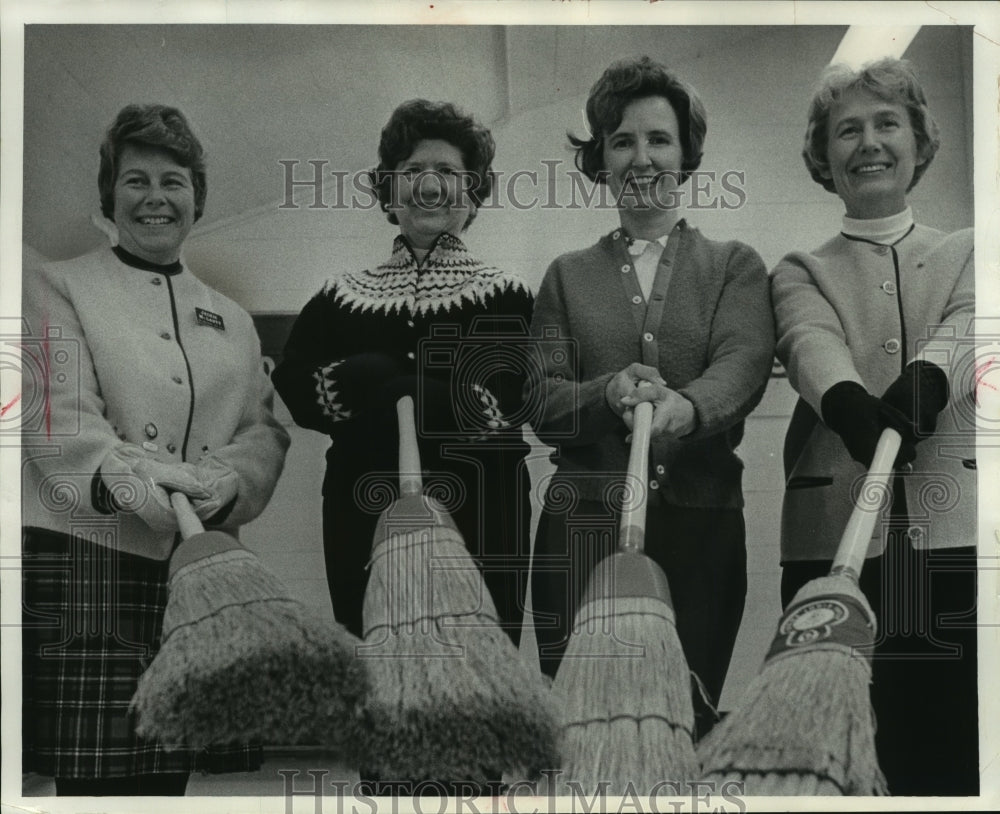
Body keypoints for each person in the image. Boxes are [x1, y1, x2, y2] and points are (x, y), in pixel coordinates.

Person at [21, 104, 290, 796]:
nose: (155, 198)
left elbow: (263, 431)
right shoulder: (56, 286)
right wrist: (150, 483)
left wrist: (227, 482)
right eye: (135, 180)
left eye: (174, 182)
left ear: (197, 198)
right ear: (109, 195)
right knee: (94, 787)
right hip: (91, 566)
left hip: (195, 571)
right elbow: (60, 421)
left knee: (166, 781)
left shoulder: (233, 317)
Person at [528, 56, 775, 739]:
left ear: (687, 154)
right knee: (583, 730)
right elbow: (541, 398)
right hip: (581, 533)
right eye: (622, 141)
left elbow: (743, 363)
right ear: (601, 159)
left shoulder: (734, 266)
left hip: (701, 530)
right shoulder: (565, 277)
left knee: (680, 727)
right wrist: (604, 393)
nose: (642, 157)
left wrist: (686, 408)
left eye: (659, 139)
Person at [771, 57, 978, 795]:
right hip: (832, 543)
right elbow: (807, 339)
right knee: (847, 752)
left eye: (887, 123)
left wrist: (932, 375)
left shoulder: (972, 249)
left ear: (918, 142)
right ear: (823, 156)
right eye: (847, 130)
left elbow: (973, 322)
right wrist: (846, 400)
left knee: (954, 746)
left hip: (955, 541)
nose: (869, 143)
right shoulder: (799, 268)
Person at [271, 99, 534, 662]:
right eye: (413, 171)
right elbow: (294, 384)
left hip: (483, 513)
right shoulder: (340, 294)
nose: (429, 185)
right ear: (389, 191)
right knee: (376, 664)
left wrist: (398, 387)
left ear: (473, 193)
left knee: (478, 670)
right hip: (362, 509)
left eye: (448, 171)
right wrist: (373, 380)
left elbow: (513, 397)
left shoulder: (508, 293)